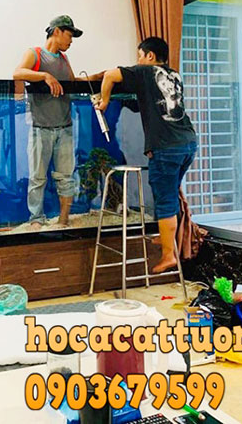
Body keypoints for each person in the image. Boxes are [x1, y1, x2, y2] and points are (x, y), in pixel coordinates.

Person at [95, 37, 197, 273]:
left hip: (167, 146)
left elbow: (110, 75)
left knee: (165, 198)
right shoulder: (174, 75)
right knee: (169, 191)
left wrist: (105, 101)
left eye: (140, 56)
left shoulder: (144, 71)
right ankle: (165, 236)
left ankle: (168, 255)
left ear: (150, 56)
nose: (138, 61)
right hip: (188, 142)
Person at [13, 15, 101, 228]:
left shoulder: (64, 59)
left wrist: (97, 77)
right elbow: (18, 73)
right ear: (57, 31)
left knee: (66, 176)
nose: (71, 41)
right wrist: (45, 76)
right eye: (69, 35)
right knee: (37, 177)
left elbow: (72, 82)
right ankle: (36, 219)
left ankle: (63, 219)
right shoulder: (35, 54)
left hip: (65, 127)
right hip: (40, 127)